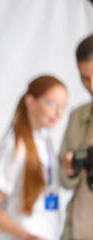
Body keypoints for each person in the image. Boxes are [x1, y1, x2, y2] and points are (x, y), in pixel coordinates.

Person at [0, 76, 68, 240]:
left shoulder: (46, 142)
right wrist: (27, 236)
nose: (59, 114)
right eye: (53, 105)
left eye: (63, 107)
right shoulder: (13, 149)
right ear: (30, 102)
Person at [59, 33, 93, 240]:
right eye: (85, 78)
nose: (92, 86)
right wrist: (69, 170)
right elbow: (65, 181)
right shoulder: (77, 117)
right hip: (80, 230)